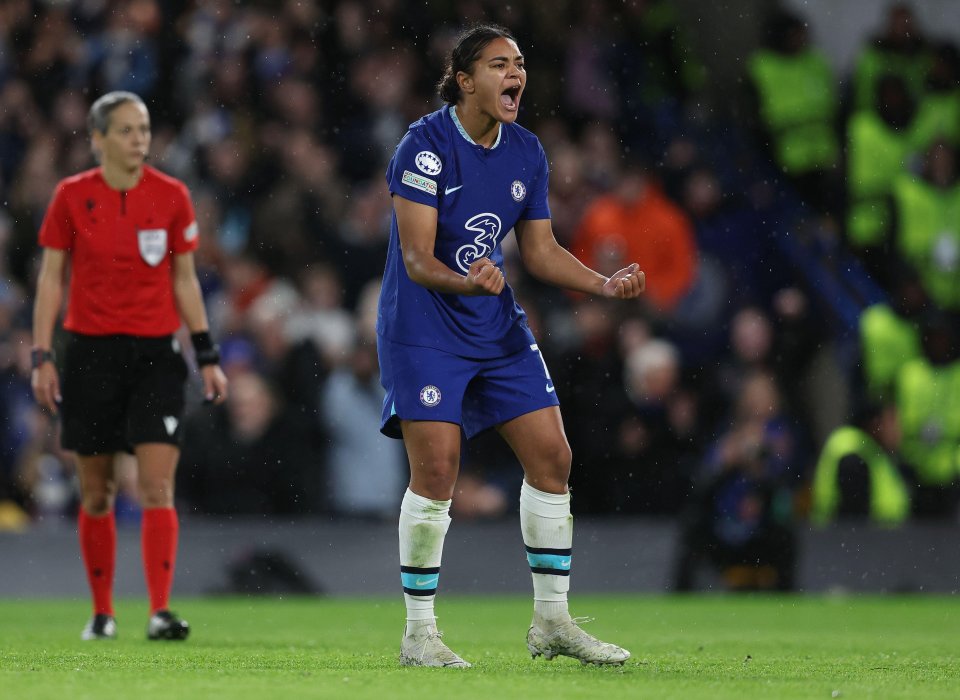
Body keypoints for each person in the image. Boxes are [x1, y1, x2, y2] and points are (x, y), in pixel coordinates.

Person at [377, 24, 643, 668]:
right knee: (437, 471)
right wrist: (467, 278)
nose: (515, 74)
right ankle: (419, 634)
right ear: (465, 81)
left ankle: (552, 622)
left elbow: (542, 251)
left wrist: (602, 285)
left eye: (519, 63)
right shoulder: (425, 147)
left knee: (553, 456)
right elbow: (416, 258)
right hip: (424, 328)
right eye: (499, 64)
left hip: (494, 327)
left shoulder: (526, 151)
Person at [30, 91, 228, 641]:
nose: (139, 138)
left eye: (143, 128)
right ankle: (101, 612)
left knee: (156, 487)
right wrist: (42, 355)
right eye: (126, 130)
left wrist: (205, 354)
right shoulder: (71, 197)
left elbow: (185, 280)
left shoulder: (172, 197)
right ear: (97, 139)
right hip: (90, 352)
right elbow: (51, 280)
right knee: (96, 493)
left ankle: (160, 611)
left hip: (155, 355)